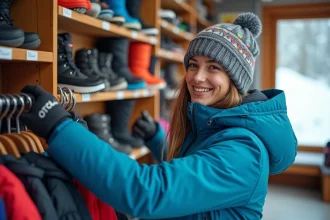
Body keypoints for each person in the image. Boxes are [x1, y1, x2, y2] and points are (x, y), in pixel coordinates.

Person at [20, 12, 297, 220]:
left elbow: (147, 192)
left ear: (236, 80)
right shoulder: (215, 126)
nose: (197, 77)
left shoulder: (243, 152)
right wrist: (156, 138)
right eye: (193, 65)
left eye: (214, 67)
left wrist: (59, 127)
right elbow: (190, 170)